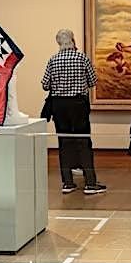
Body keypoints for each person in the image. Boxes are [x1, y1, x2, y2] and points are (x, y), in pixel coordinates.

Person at [41, 29, 107, 195]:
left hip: (59, 106)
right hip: (78, 104)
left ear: (58, 42)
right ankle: (90, 183)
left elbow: (45, 85)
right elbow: (93, 81)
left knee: (64, 143)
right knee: (83, 142)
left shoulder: (53, 60)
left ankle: (67, 182)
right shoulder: (82, 58)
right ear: (73, 40)